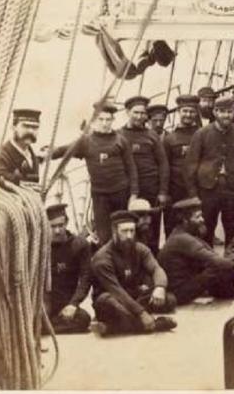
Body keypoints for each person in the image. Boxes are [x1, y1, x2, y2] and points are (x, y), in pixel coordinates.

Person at [50, 102, 138, 245]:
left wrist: (133, 194)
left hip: (121, 192)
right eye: (101, 119)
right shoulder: (86, 141)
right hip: (100, 195)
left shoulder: (121, 140)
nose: (104, 123)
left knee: (123, 231)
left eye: (108, 120)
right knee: (104, 235)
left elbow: (132, 168)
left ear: (112, 120)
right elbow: (64, 150)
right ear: (95, 120)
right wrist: (46, 154)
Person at [89, 211, 177, 336]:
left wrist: (160, 287)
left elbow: (156, 269)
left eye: (132, 231)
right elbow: (116, 290)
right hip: (113, 299)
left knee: (169, 300)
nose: (129, 236)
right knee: (107, 301)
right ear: (114, 232)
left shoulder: (140, 249)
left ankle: (112, 327)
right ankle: (156, 324)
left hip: (133, 295)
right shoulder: (103, 258)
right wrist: (142, 313)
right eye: (124, 231)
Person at [185, 97, 234, 246]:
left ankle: (231, 261)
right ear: (215, 112)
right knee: (206, 228)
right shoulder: (202, 134)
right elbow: (190, 165)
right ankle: (207, 264)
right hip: (208, 189)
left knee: (231, 228)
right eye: (222, 112)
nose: (226, 116)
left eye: (229, 112)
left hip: (232, 189)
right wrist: (193, 194)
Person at [158, 198, 234, 305]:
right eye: (197, 217)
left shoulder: (183, 235)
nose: (202, 219)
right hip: (179, 292)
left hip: (182, 286)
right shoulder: (183, 239)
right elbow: (217, 262)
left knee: (219, 268)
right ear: (185, 221)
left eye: (201, 216)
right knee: (218, 269)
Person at [119, 95, 169, 250]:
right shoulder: (118, 135)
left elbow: (163, 164)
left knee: (151, 229)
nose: (140, 117)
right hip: (128, 191)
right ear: (127, 112)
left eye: (142, 113)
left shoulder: (152, 136)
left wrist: (162, 191)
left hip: (150, 189)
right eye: (136, 113)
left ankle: (152, 258)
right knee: (128, 226)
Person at [45, 203, 93, 334]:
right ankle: (47, 326)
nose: (57, 230)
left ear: (67, 223)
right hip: (45, 301)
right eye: (53, 226)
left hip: (66, 302)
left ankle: (45, 328)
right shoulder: (41, 246)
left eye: (60, 225)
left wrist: (73, 304)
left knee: (84, 319)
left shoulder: (79, 245)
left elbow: (85, 278)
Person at [161, 94, 200, 237]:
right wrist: (164, 192)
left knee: (196, 226)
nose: (188, 115)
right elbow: (164, 167)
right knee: (171, 227)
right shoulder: (169, 139)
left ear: (196, 113)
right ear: (179, 112)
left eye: (191, 111)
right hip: (175, 189)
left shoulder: (202, 135)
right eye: (185, 111)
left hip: (197, 190)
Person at [0, 108, 43, 185]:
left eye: (35, 127)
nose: (31, 131)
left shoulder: (32, 155)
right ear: (14, 128)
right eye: (26, 126)